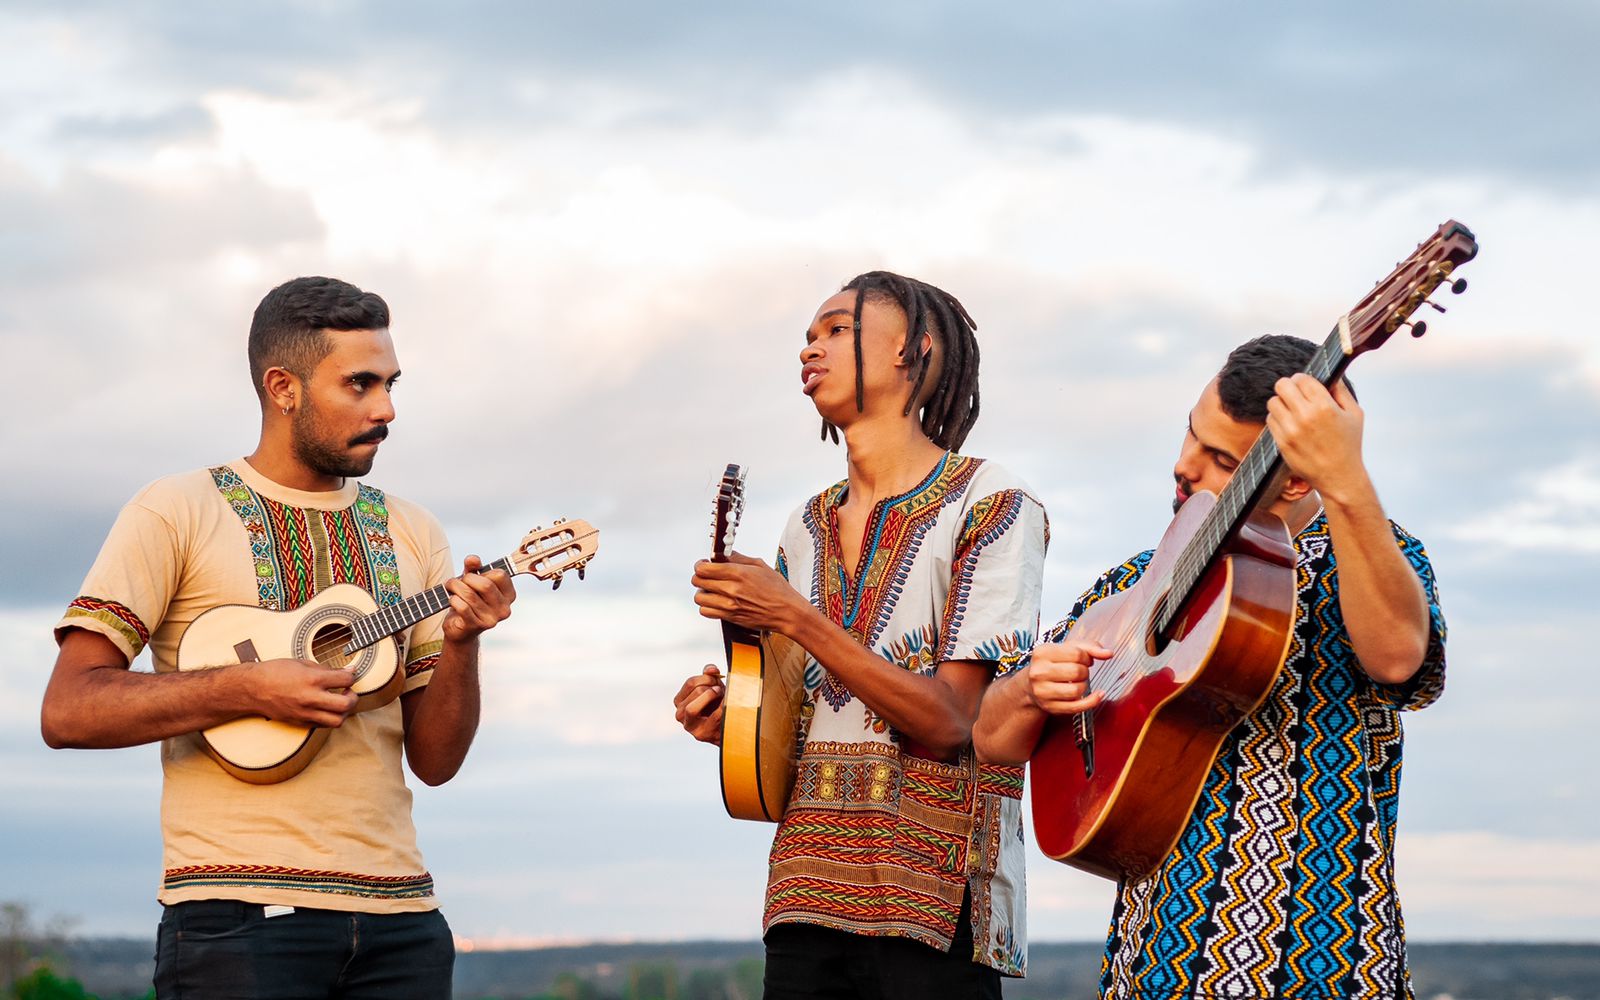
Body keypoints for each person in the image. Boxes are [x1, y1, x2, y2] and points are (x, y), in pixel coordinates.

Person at [41, 276, 517, 999]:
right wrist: (244, 686)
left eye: (391, 383)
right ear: (282, 386)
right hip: (238, 919)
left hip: (404, 919)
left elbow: (437, 761)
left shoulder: (416, 530)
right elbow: (68, 709)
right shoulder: (176, 510)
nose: (386, 409)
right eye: (359, 384)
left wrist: (464, 641)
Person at [974, 334, 1447, 1000]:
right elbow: (991, 736)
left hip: (1324, 966)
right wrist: (1029, 688)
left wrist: (1351, 485)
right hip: (1156, 966)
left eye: (1219, 458)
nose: (1182, 466)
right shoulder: (1135, 583)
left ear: (1300, 476)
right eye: (1190, 436)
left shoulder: (1375, 556)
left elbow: (1399, 657)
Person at [673, 271, 1050, 999]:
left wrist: (794, 615)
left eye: (837, 329)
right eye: (808, 336)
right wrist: (735, 722)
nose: (810, 348)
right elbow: (798, 728)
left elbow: (952, 723)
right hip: (803, 896)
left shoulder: (994, 503)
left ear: (914, 348)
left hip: (935, 904)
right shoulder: (803, 526)